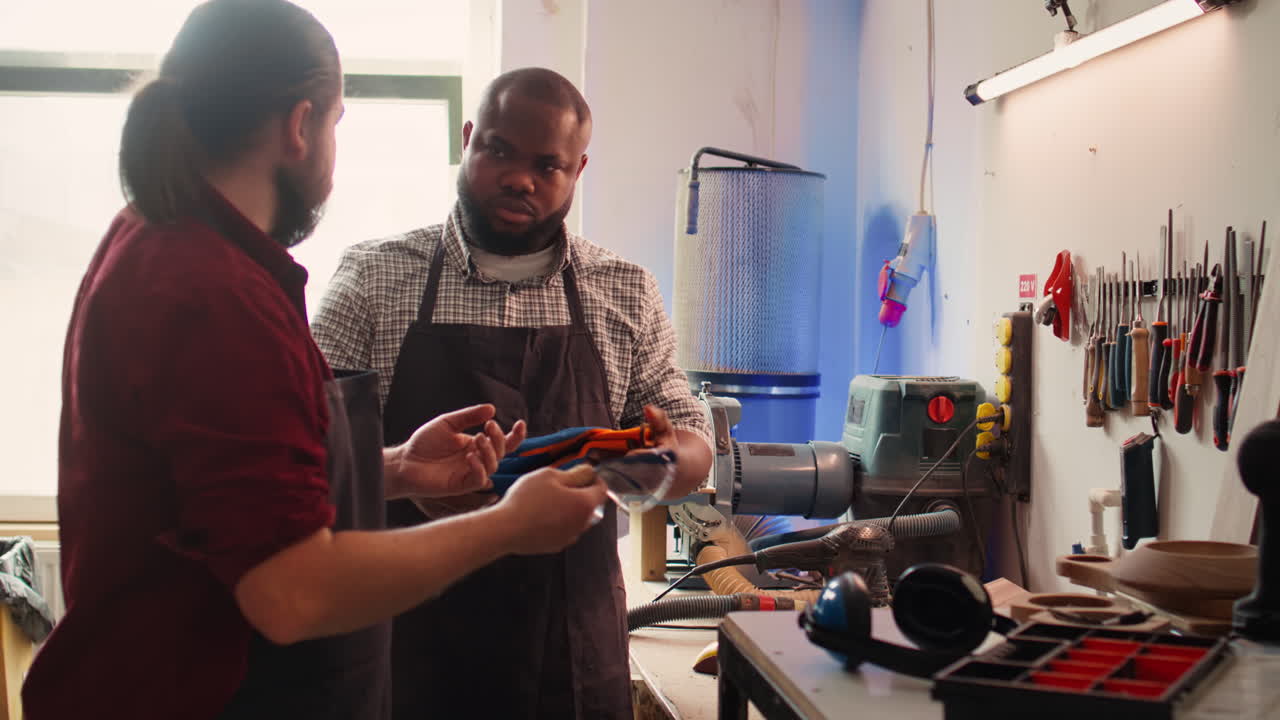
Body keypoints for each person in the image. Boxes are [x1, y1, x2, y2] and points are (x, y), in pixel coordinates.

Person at [20, 4, 607, 720]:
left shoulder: (162, 236)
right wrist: (509, 524)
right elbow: (291, 593)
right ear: (299, 127)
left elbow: (225, 493)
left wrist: (391, 471)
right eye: (334, 125)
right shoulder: (216, 295)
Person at [311, 67, 714, 719]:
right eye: (498, 150)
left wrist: (666, 461)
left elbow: (694, 447)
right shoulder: (373, 278)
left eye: (546, 164)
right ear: (467, 139)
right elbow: (302, 457)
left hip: (568, 655)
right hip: (403, 649)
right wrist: (404, 475)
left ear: (577, 171)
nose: (520, 178)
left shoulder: (625, 290)